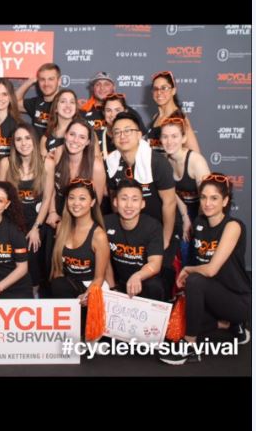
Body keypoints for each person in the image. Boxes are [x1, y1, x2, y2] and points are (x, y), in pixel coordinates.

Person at [160, 174, 251, 365]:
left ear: (225, 201)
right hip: (212, 296)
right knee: (174, 323)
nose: (207, 203)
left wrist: (188, 270)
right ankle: (227, 325)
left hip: (238, 300)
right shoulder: (200, 223)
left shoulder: (233, 226)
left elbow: (210, 270)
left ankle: (190, 347)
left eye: (214, 198)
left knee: (194, 281)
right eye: (204, 197)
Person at [106, 112, 177, 296]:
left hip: (160, 228)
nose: (123, 136)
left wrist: (165, 238)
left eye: (128, 131)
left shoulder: (156, 162)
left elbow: (169, 202)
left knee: (156, 281)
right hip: (132, 229)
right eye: (118, 132)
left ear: (139, 134)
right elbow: (116, 201)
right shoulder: (112, 163)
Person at [0, 123, 55, 297]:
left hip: (36, 223)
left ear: (34, 140)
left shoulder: (47, 163)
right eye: (19, 139)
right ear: (13, 143)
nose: (24, 143)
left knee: (34, 264)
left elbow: (46, 199)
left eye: (27, 138)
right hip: (12, 222)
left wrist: (36, 228)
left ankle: (34, 297)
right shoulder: (6, 163)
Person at [50, 178, 110, 305]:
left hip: (92, 287)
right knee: (57, 284)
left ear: (92, 202)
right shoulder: (61, 227)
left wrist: (86, 296)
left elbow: (99, 278)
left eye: (82, 198)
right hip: (69, 287)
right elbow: (58, 270)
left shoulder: (98, 235)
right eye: (71, 198)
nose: (76, 203)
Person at [104, 180, 166, 301]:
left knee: (154, 286)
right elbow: (104, 260)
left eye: (134, 199)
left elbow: (155, 263)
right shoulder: (106, 223)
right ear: (115, 202)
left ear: (142, 204)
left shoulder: (153, 226)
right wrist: (112, 289)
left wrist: (138, 276)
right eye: (124, 199)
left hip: (144, 280)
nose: (129, 205)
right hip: (119, 282)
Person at [160, 115, 210, 266]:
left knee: (194, 248)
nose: (169, 141)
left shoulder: (196, 161)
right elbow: (172, 193)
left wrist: (197, 224)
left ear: (183, 138)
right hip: (183, 211)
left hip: (205, 211)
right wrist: (185, 217)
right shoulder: (164, 161)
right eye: (165, 137)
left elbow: (208, 198)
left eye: (174, 136)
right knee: (180, 246)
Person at [48, 118, 106, 229]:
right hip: (56, 216)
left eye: (82, 137)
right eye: (72, 134)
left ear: (88, 142)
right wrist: (52, 211)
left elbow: (96, 202)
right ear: (65, 135)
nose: (75, 140)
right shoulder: (57, 153)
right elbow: (50, 188)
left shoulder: (96, 166)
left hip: (83, 220)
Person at [148, 70, 200, 154]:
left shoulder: (178, 118)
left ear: (173, 91)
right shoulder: (156, 117)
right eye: (155, 89)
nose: (159, 92)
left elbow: (195, 153)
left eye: (164, 88)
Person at [80, 72, 146, 135]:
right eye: (98, 84)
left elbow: (142, 138)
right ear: (93, 88)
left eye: (106, 84)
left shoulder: (129, 112)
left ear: (114, 88)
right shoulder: (83, 111)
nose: (102, 88)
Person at [15, 62, 61, 137]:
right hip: (36, 148)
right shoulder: (36, 103)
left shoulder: (66, 105)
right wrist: (29, 82)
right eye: (42, 79)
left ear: (59, 81)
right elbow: (14, 104)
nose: (46, 84)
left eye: (51, 79)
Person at [40, 89, 79, 159]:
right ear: (55, 108)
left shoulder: (86, 133)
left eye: (72, 102)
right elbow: (42, 167)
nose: (68, 105)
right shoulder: (45, 138)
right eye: (63, 101)